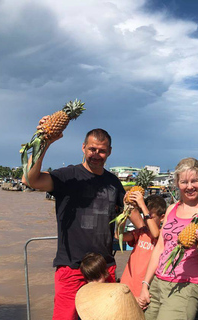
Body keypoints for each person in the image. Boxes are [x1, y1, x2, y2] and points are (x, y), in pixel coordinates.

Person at [22, 118, 125, 320]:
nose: (96, 154)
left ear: (109, 152)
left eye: (102, 151)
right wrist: (45, 143)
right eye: (92, 149)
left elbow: (126, 213)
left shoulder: (113, 182)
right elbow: (30, 180)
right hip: (71, 268)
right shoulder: (69, 175)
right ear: (83, 148)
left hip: (104, 268)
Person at [139, 157, 198, 320]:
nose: (190, 186)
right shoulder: (171, 208)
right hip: (157, 283)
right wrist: (145, 284)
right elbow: (160, 248)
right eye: (184, 182)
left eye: (194, 181)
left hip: (185, 286)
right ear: (177, 183)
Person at [119, 194, 167, 299]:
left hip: (145, 289)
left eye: (150, 216)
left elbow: (155, 233)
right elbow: (119, 236)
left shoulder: (163, 236)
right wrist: (125, 212)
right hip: (128, 284)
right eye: (144, 216)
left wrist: (143, 208)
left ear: (162, 217)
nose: (145, 219)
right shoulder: (141, 232)